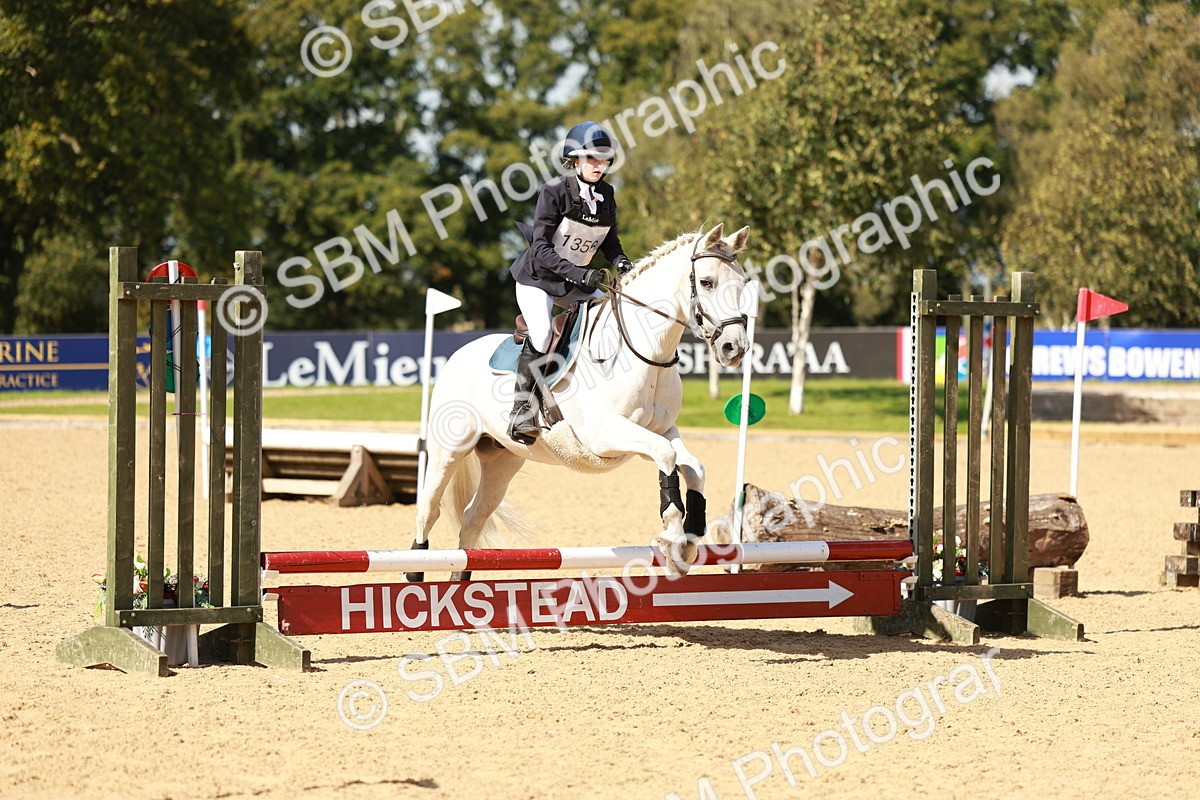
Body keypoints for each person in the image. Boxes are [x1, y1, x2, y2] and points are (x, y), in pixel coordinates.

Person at [506, 121, 635, 445]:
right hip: (539, 279)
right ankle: (521, 411)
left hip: (574, 282)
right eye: (592, 159)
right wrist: (580, 274)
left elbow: (609, 242)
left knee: (608, 319)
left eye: (604, 160)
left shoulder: (606, 194)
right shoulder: (554, 192)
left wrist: (621, 261)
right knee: (543, 331)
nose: (599, 165)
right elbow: (541, 248)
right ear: (575, 160)